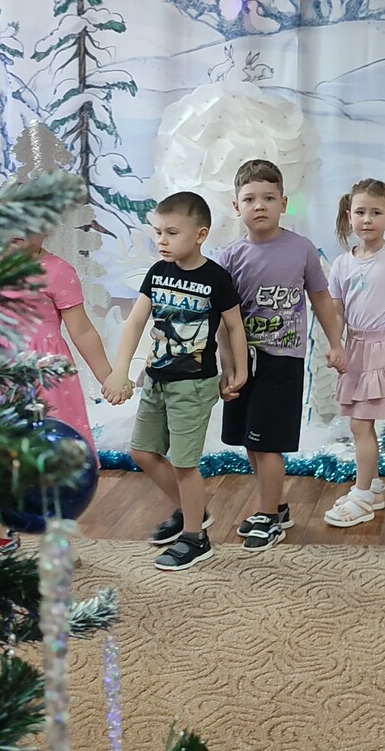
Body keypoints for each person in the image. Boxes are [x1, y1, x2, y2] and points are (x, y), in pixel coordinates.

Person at [106, 192, 248, 572]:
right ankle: (192, 511)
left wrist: (239, 369)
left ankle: (195, 537)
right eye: (158, 232)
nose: (162, 241)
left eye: (171, 233)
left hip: (193, 386)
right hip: (156, 380)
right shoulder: (157, 272)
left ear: (200, 234)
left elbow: (234, 327)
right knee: (142, 452)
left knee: (185, 464)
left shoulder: (215, 278)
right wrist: (120, 371)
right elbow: (136, 321)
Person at [214, 159, 345, 552]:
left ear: (284, 203)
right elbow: (223, 320)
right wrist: (228, 367)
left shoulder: (301, 249)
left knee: (267, 443)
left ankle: (269, 515)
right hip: (244, 362)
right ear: (236, 206)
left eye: (269, 198)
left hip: (283, 361)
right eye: (250, 199)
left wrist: (336, 343)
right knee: (251, 441)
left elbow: (321, 298)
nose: (260, 205)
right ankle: (276, 506)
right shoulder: (229, 256)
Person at [321, 178, 385, 527]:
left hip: (382, 349)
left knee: (360, 424)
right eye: (360, 212)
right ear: (348, 216)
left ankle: (363, 494)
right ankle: (374, 487)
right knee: (361, 423)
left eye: (376, 213)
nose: (367, 219)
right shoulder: (341, 264)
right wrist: (336, 345)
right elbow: (337, 311)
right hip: (356, 350)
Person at [4, 226, 115, 449]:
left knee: (48, 439)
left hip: (43, 370)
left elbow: (82, 330)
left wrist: (108, 377)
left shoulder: (58, 271)